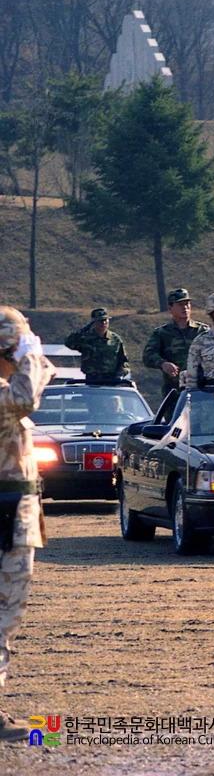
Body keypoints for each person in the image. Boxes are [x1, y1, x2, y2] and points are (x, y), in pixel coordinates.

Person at [0, 309, 53, 740]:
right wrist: (27, 355)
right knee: (1, 617)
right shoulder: (6, 394)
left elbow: (33, 387)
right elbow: (27, 399)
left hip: (14, 514)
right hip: (5, 517)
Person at [143, 288, 209, 398]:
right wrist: (162, 364)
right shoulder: (162, 333)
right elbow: (148, 355)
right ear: (170, 308)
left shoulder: (202, 331)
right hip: (174, 391)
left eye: (187, 304)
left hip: (200, 390)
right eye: (180, 304)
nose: (185, 307)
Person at [65, 308, 129, 381]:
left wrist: (120, 375)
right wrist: (83, 330)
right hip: (91, 378)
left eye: (106, 320)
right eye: (100, 321)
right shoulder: (86, 338)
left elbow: (124, 361)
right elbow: (69, 343)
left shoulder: (115, 339)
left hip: (111, 379)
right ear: (94, 322)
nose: (104, 323)